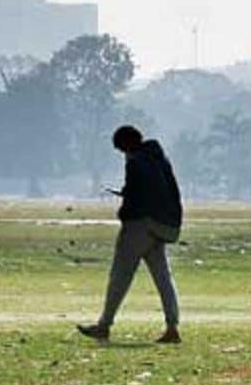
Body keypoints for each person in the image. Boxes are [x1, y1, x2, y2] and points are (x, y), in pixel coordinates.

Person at [77, 125, 183, 344]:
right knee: (163, 278)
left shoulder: (135, 161)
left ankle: (104, 325)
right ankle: (172, 326)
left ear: (127, 145)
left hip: (139, 226)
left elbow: (136, 195)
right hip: (160, 226)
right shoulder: (158, 159)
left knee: (120, 276)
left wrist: (124, 211)